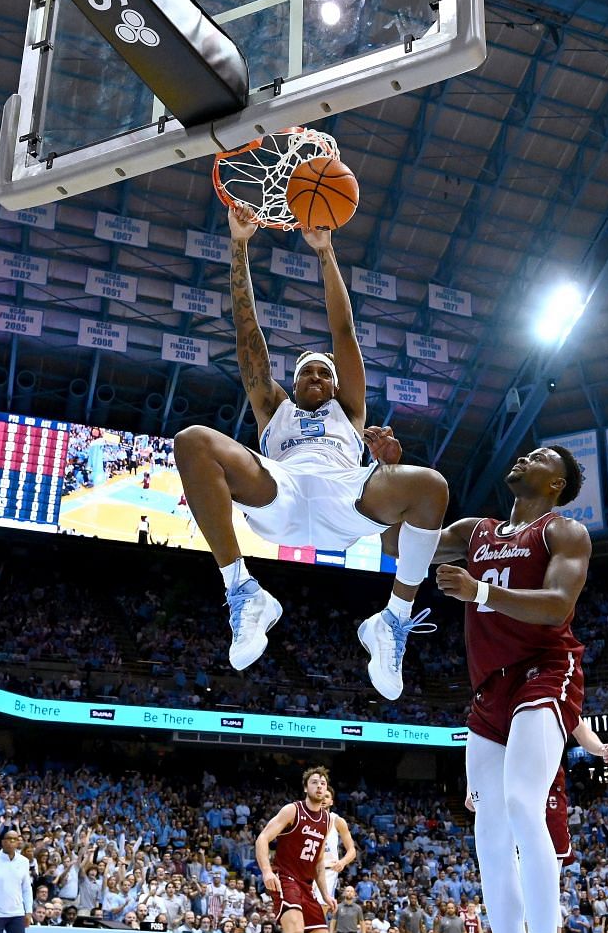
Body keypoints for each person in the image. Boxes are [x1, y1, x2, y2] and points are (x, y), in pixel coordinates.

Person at [173, 207, 449, 698]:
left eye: (325, 373)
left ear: (337, 383)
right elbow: (247, 336)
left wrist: (325, 252)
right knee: (192, 440)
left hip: (345, 501)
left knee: (431, 486)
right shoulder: (272, 405)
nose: (317, 378)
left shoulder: (350, 410)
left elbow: (343, 333)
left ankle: (393, 620)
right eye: (307, 373)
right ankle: (243, 591)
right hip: (280, 490)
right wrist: (238, 247)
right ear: (293, 381)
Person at [433, 444, 591, 933]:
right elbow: (401, 544)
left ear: (556, 484)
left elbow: (557, 607)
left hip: (545, 669)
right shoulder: (477, 530)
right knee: (489, 833)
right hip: (489, 688)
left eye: (542, 456)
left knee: (525, 803)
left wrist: (478, 592)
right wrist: (389, 476)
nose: (527, 456)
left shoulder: (564, 530)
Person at [247, 767, 356, 933]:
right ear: (306, 787)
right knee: (294, 932)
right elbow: (262, 839)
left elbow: (318, 861)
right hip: (285, 877)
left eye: (323, 783)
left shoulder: (328, 821)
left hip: (307, 886)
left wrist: (326, 893)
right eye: (315, 782)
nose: (320, 786)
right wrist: (266, 871)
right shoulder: (292, 810)